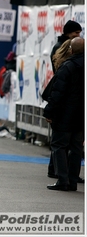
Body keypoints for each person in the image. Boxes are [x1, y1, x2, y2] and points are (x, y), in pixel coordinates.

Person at [43, 37, 85, 191]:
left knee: (59, 146)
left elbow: (57, 93)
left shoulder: (67, 67)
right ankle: (73, 181)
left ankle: (63, 180)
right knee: (76, 148)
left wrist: (49, 111)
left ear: (71, 50)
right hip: (81, 116)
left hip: (65, 114)